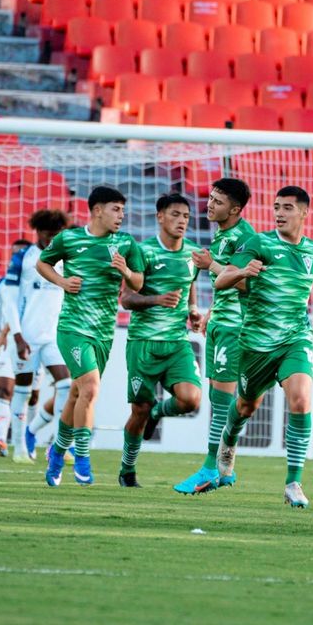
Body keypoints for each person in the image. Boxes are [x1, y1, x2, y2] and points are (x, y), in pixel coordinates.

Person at [213, 185, 313, 509]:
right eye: (277, 207)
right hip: (256, 344)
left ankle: (293, 482)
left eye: (287, 208)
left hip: (295, 339)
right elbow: (221, 280)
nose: (279, 213)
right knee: (245, 407)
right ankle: (229, 439)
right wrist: (242, 270)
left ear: (304, 212)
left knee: (301, 400)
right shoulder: (259, 243)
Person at [37, 186, 144, 487]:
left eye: (123, 210)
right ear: (97, 210)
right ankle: (82, 456)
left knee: (77, 393)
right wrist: (62, 282)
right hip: (72, 328)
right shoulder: (69, 239)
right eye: (116, 209)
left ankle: (57, 451)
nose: (121, 216)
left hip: (103, 332)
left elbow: (138, 282)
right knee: (91, 389)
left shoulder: (126, 243)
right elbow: (42, 263)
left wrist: (126, 271)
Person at [173, 177, 257, 495]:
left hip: (236, 328)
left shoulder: (245, 237)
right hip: (221, 322)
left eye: (218, 201)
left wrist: (212, 264)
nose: (209, 205)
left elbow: (247, 282)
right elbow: (228, 285)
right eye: (210, 198)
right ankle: (225, 468)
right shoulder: (222, 234)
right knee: (218, 399)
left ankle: (212, 468)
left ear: (235, 209)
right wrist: (210, 312)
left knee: (223, 401)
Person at [117, 194, 203, 487]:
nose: (182, 221)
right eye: (175, 214)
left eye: (186, 216)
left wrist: (193, 310)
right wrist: (156, 299)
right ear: (160, 217)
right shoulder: (143, 252)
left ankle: (158, 411)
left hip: (177, 342)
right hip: (144, 343)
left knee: (190, 399)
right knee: (138, 411)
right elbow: (126, 299)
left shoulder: (193, 254)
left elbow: (189, 282)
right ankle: (127, 469)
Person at [0, 211, 71, 463]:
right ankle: (20, 447)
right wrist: (17, 336)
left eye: (57, 235)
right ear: (38, 232)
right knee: (23, 390)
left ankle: (61, 445)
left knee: (66, 384)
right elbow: (8, 298)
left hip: (54, 337)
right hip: (27, 336)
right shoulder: (24, 257)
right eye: (48, 235)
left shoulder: (66, 258)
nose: (52, 239)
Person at [0, 237, 31, 456]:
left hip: (30, 342)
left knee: (31, 395)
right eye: (14, 254)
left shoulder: (38, 284)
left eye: (21, 254)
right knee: (3, 389)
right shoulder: (3, 284)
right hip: (5, 344)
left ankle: (26, 442)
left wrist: (3, 333)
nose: (16, 258)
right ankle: (1, 440)